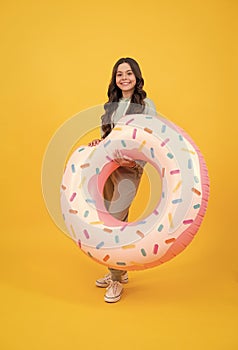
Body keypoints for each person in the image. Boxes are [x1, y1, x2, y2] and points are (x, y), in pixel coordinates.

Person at [88, 57, 157, 303]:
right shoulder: (112, 105)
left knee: (114, 222)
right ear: (114, 79)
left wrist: (135, 163)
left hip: (129, 169)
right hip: (108, 166)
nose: (124, 78)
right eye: (119, 74)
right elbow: (109, 137)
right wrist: (100, 143)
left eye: (129, 73)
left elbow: (150, 139)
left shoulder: (146, 104)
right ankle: (119, 271)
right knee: (106, 216)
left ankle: (116, 279)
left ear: (137, 77)